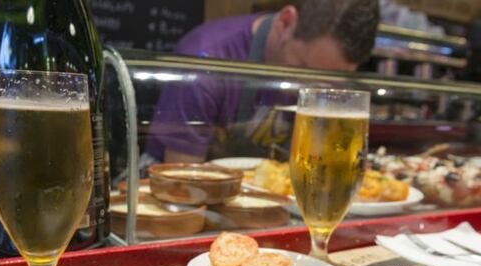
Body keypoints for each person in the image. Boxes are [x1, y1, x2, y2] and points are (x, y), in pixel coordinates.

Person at [143, 0, 379, 166]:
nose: (310, 88)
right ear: (286, 22)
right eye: (303, 67)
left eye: (331, 83)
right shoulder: (205, 61)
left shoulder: (324, 65)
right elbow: (181, 180)